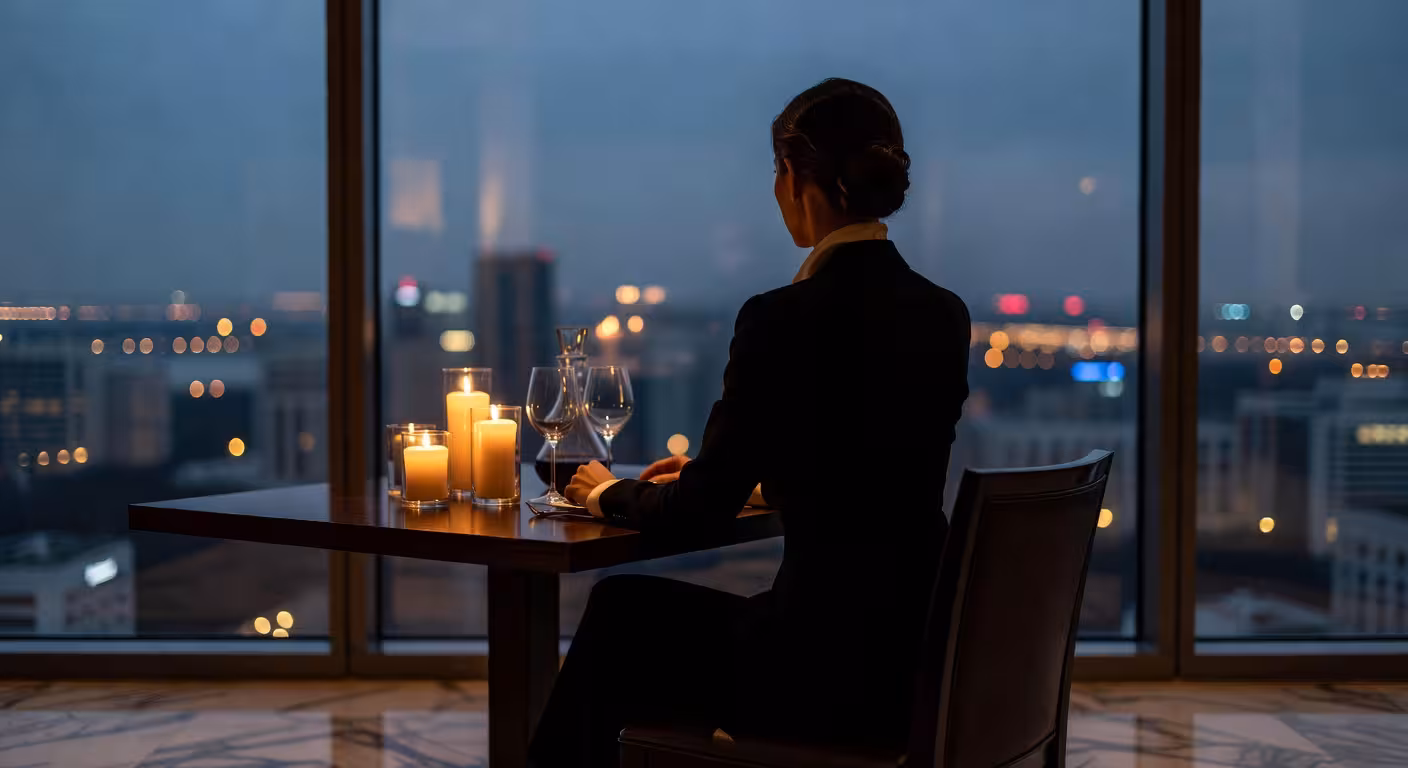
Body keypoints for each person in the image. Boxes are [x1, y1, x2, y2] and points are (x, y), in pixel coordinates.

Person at [528, 78, 971, 768]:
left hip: (820, 676)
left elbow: (699, 516)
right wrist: (763, 486)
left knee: (623, 615)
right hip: (912, 662)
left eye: (777, 172)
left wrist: (602, 491)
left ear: (794, 175)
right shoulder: (943, 313)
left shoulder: (781, 318)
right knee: (654, 631)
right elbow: (871, 471)